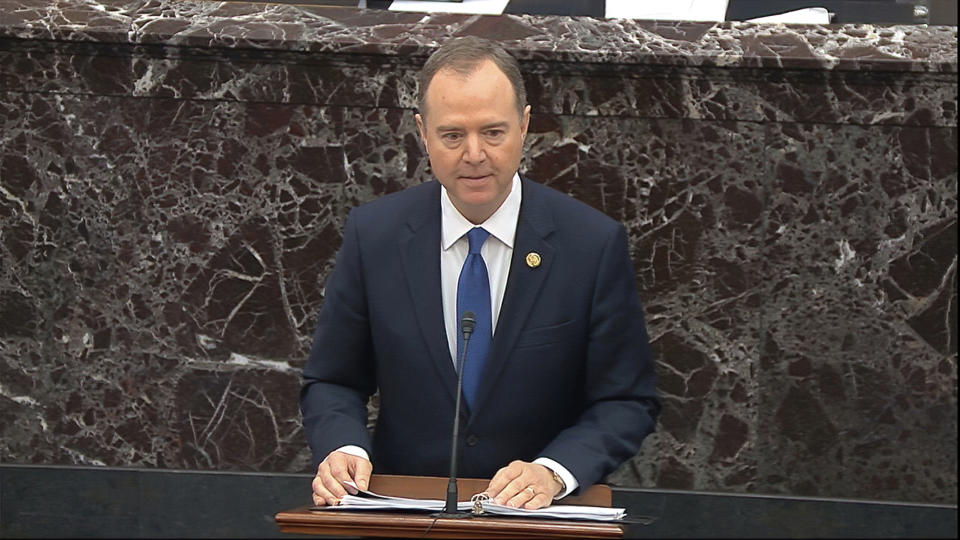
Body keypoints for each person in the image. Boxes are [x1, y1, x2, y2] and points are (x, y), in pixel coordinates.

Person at [301, 36, 659, 510]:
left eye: (493, 132)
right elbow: (333, 379)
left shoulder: (590, 244)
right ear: (422, 133)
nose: (474, 154)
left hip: (535, 520)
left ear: (525, 125)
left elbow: (626, 400)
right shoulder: (375, 235)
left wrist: (553, 472)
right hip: (402, 514)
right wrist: (344, 449)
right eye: (452, 135)